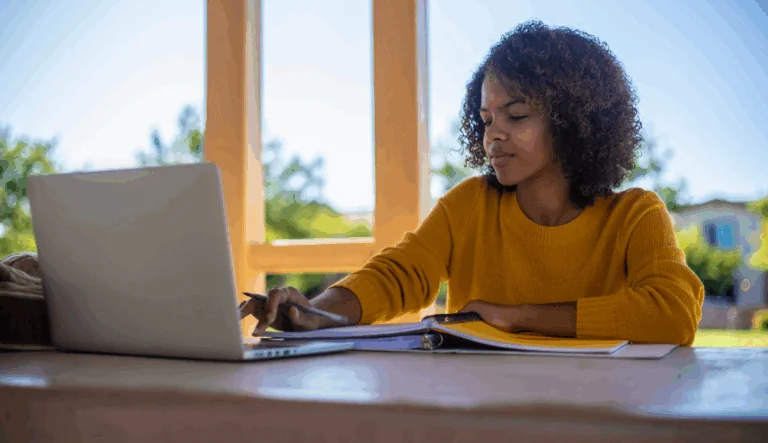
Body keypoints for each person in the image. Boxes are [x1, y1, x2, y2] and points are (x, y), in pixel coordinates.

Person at [241, 20, 705, 345]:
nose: (494, 134)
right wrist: (316, 314)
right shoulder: (471, 205)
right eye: (485, 120)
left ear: (575, 121)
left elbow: (672, 313)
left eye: (516, 115)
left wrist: (521, 317)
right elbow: (397, 275)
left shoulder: (634, 215)